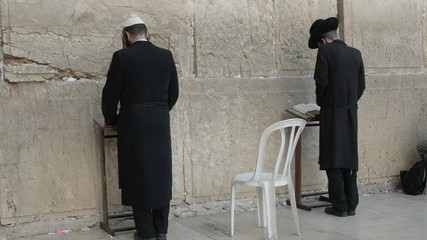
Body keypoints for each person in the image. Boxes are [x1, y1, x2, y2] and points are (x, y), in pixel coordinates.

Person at [102, 15, 179, 240]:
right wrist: (159, 113)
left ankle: (146, 234)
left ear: (127, 35)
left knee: (139, 176)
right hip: (159, 122)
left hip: (133, 123)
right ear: (147, 33)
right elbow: (173, 94)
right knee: (161, 174)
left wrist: (113, 119)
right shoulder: (166, 56)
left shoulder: (122, 57)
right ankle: (161, 231)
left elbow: (110, 96)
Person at [308, 17, 365, 217]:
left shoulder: (325, 52)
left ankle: (339, 205)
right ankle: (351, 203)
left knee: (333, 155)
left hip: (332, 111)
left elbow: (321, 82)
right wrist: (348, 102)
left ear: (322, 41)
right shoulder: (356, 54)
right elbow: (361, 86)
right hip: (351, 111)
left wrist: (323, 102)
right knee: (349, 155)